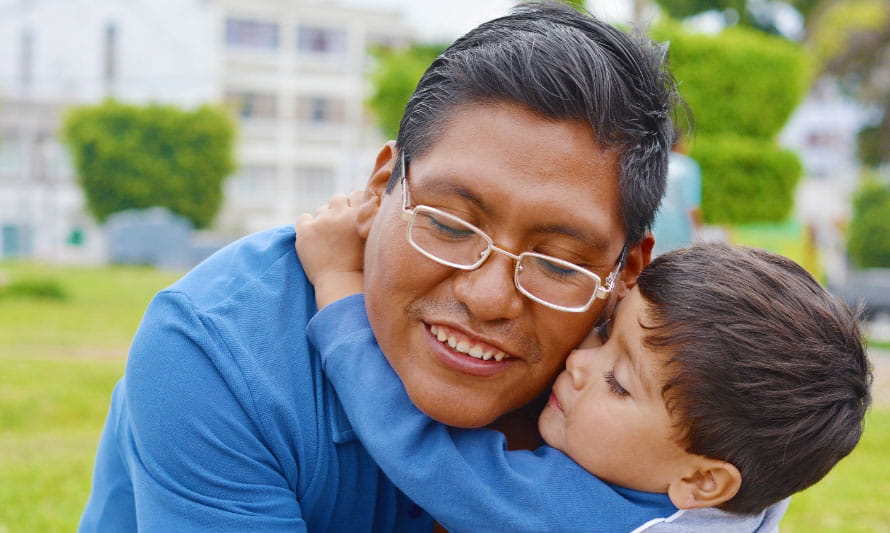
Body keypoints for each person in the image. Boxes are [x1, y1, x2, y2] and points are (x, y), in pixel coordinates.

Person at [80, 2, 679, 530]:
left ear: (626, 273)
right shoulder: (218, 354)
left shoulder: (658, 382)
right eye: (448, 226)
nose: (489, 297)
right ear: (377, 191)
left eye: (557, 262)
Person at [296, 198, 872, 532]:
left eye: (618, 383)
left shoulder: (575, 517)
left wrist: (338, 282)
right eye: (603, 332)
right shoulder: (747, 478)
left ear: (701, 481)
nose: (577, 362)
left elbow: (418, 448)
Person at [650, 134, 702, 257]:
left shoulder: (652, 163)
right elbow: (691, 205)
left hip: (653, 230)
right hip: (679, 231)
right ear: (679, 144)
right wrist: (699, 230)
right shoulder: (687, 166)